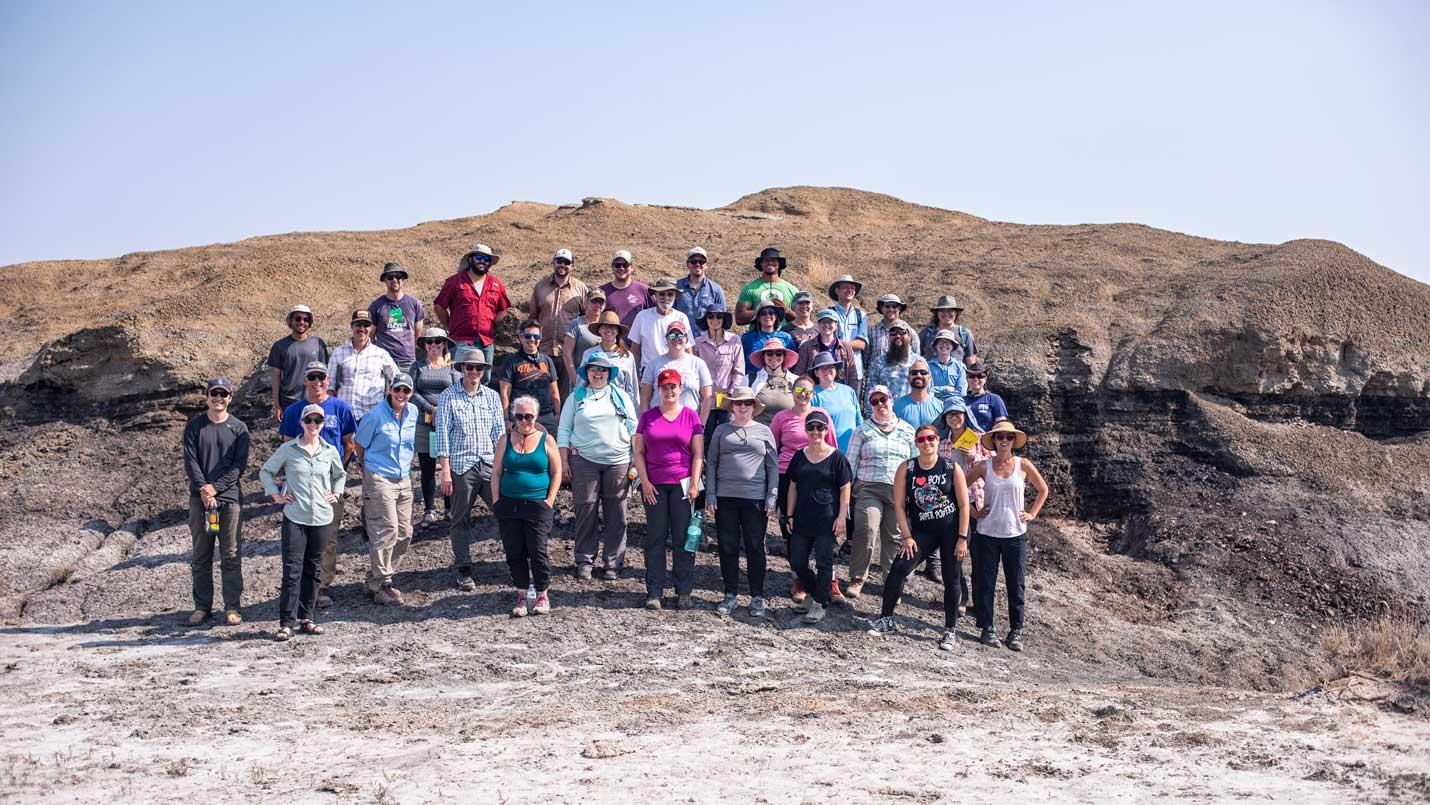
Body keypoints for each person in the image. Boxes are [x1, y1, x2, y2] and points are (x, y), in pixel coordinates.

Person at [866, 424, 971, 650]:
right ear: (916, 443)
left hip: (951, 530)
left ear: (937, 439)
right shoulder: (908, 468)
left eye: (931, 438)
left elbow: (964, 505)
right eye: (922, 439)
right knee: (899, 568)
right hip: (922, 531)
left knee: (952, 577)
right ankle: (887, 618)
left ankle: (949, 630)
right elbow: (900, 506)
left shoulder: (951, 467)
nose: (927, 443)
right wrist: (906, 536)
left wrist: (962, 537)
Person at [259, 403, 346, 642]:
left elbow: (340, 474)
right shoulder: (288, 449)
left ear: (322, 424)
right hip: (295, 517)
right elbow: (265, 471)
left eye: (317, 421)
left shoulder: (329, 451)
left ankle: (307, 617)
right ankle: (286, 623)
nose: (313, 425)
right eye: (309, 420)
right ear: (302, 423)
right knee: (292, 570)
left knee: (314, 569)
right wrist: (275, 494)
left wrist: (336, 493)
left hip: (321, 517)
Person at [277, 361, 357, 609]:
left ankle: (321, 586)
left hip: (329, 488)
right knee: (299, 537)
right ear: (305, 380)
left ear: (328, 380)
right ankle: (299, 585)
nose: (317, 381)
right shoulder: (293, 412)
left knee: (328, 537)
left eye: (321, 376)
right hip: (300, 487)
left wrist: (333, 473)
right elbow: (287, 447)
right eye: (312, 376)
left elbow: (350, 444)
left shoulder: (341, 408)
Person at [964, 420, 1049, 651]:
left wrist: (1032, 513)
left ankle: (1016, 630)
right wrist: (973, 511)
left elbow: (1043, 489)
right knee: (985, 583)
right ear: (993, 440)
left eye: (1008, 437)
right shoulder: (984, 466)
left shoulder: (1023, 464)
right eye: (1000, 437)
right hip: (987, 533)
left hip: (1015, 534)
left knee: (1016, 583)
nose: (1004, 441)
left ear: (1013, 441)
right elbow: (960, 487)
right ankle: (987, 627)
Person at [559, 352, 638, 580]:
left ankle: (613, 562)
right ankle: (584, 559)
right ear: (587, 372)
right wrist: (564, 461)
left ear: (609, 374)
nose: (598, 373)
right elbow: (564, 430)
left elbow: (634, 428)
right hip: (584, 462)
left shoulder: (621, 396)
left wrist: (636, 457)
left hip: (618, 461)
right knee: (586, 511)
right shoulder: (576, 397)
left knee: (617, 513)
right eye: (593, 369)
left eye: (602, 370)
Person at [632, 368, 705, 610]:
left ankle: (684, 590)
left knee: (683, 539)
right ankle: (654, 591)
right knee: (655, 538)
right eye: (665, 387)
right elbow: (639, 453)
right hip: (654, 485)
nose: (669, 391)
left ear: (680, 388)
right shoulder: (648, 417)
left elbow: (697, 455)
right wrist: (645, 481)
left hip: (682, 485)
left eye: (673, 386)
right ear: (659, 390)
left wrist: (695, 483)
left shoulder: (691, 417)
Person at [434, 346, 505, 591]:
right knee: (460, 518)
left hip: (488, 463)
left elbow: (499, 434)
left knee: (504, 512)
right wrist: (445, 472)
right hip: (461, 466)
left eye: (478, 368)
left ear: (484, 371)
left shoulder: (493, 397)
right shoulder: (448, 396)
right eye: (469, 367)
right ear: (461, 369)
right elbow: (442, 435)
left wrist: (503, 464)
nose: (474, 371)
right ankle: (463, 567)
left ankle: (514, 559)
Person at [182, 377, 250, 627]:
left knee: (231, 554)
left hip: (229, 499)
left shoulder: (240, 428)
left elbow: (238, 466)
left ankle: (232, 607)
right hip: (200, 500)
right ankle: (202, 606)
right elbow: (191, 462)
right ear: (206, 396)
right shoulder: (194, 427)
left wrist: (215, 488)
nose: (218, 399)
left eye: (223, 394)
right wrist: (204, 489)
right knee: (201, 554)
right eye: (214, 394)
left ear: (230, 398)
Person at [704, 387, 778, 618]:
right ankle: (730, 593)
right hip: (725, 497)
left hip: (755, 498)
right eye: (738, 403)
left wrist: (771, 496)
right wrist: (711, 494)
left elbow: (772, 466)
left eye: (747, 403)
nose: (743, 406)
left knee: (755, 547)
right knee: (727, 546)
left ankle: (757, 596)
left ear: (754, 406)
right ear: (732, 406)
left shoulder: (765, 431)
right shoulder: (720, 430)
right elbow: (712, 463)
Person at [768, 376, 838, 602]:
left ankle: (830, 581)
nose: (802, 394)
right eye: (798, 389)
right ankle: (799, 578)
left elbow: (834, 447)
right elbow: (772, 448)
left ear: (813, 393)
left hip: (820, 477)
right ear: (792, 390)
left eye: (807, 391)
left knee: (825, 531)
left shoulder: (822, 415)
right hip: (788, 476)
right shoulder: (782, 417)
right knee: (792, 528)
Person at [843, 385, 916, 600]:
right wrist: (847, 494)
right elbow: (851, 462)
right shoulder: (862, 430)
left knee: (894, 537)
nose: (879, 405)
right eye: (874, 402)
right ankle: (857, 578)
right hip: (869, 489)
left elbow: (913, 463)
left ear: (891, 400)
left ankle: (890, 581)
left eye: (882, 399)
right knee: (866, 531)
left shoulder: (907, 430)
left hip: (898, 490)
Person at [490, 396, 561, 618]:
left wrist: (549, 501)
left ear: (536, 416)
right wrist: (496, 501)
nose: (523, 420)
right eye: (519, 416)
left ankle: (542, 593)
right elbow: (496, 472)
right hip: (509, 504)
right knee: (514, 550)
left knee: (538, 550)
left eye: (528, 416)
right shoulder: (505, 439)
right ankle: (521, 593)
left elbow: (557, 471)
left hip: (537, 504)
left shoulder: (546, 439)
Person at [354, 374, 417, 607]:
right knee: (386, 528)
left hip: (404, 477)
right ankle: (383, 584)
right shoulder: (375, 415)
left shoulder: (413, 413)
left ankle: (375, 577)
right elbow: (359, 444)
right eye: (398, 389)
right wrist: (364, 467)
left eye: (406, 391)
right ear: (390, 389)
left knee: (405, 532)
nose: (402, 394)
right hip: (379, 476)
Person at [785, 410, 853, 625]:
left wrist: (842, 516)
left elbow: (845, 489)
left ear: (826, 430)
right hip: (802, 517)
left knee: (824, 562)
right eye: (811, 427)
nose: (815, 431)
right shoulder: (799, 456)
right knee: (797, 560)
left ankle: (819, 604)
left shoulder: (837, 457)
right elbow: (792, 487)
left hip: (827, 518)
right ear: (805, 430)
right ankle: (817, 593)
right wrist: (789, 514)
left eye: (820, 427)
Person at [409, 327, 461, 527]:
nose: (433, 345)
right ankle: (430, 509)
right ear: (424, 345)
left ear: (444, 344)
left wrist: (443, 410)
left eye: (437, 341)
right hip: (424, 422)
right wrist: (430, 408)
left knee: (449, 466)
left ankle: (449, 508)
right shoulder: (417, 366)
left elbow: (457, 391)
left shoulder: (452, 367)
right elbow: (412, 391)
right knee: (427, 468)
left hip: (448, 424)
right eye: (429, 342)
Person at [937, 397, 989, 594]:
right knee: (957, 549)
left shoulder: (979, 438)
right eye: (950, 414)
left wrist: (974, 457)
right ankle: (962, 596)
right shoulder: (942, 444)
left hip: (977, 499)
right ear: (945, 419)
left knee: (979, 553)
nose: (954, 418)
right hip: (954, 501)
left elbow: (993, 465)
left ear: (965, 415)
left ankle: (978, 598)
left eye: (958, 413)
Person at [434, 243, 512, 366]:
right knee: (458, 377)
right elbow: (439, 306)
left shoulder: (497, 284)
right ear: (470, 259)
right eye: (479, 258)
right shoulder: (454, 282)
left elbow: (503, 308)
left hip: (486, 342)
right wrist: (449, 326)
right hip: (460, 341)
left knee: (484, 379)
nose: (482, 261)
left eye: (486, 259)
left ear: (490, 263)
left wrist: (491, 324)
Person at [532, 248, 589, 401]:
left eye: (567, 262)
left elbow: (585, 320)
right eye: (559, 261)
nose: (562, 265)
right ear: (553, 262)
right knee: (541, 395)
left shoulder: (581, 289)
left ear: (573, 265)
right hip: (543, 351)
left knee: (566, 397)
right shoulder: (540, 287)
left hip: (568, 353)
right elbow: (533, 318)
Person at [328, 310, 399, 421]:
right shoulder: (338, 352)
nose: (362, 329)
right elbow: (329, 385)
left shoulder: (381, 354)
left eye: (366, 325)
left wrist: (390, 403)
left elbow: (398, 379)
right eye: (358, 324)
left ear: (371, 328)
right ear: (352, 326)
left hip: (372, 415)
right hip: (344, 415)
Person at [638, 320, 713, 419]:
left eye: (680, 336)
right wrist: (644, 424)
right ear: (666, 339)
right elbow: (644, 398)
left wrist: (701, 425)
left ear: (686, 339)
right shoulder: (653, 364)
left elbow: (707, 397)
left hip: (688, 425)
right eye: (672, 336)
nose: (676, 339)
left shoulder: (698, 364)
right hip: (658, 423)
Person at [498, 319, 562, 432]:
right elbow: (505, 393)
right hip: (521, 417)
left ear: (540, 338)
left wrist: (557, 414)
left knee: (549, 448)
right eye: (527, 336)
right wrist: (506, 418)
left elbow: (554, 391)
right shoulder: (511, 361)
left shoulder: (547, 360)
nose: (532, 339)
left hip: (546, 416)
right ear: (521, 337)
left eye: (536, 336)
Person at [268, 304, 329, 421]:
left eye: (306, 319)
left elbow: (324, 375)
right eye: (298, 318)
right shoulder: (279, 346)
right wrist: (277, 405)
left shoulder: (318, 344)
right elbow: (276, 378)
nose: (302, 322)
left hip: (314, 402)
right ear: (291, 321)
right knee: (289, 438)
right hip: (288, 402)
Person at [629, 278, 693, 373]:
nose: (666, 298)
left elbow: (688, 350)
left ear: (675, 296)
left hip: (676, 373)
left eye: (670, 294)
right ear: (655, 295)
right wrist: (636, 377)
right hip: (648, 372)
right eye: (662, 294)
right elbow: (635, 351)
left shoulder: (681, 317)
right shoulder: (642, 317)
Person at [368, 262, 425, 366]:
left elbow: (419, 337)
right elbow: (370, 337)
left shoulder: (415, 304)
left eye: (398, 276)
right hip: (384, 363)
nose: (394, 280)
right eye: (390, 277)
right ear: (385, 280)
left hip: (408, 362)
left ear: (403, 279)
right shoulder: (376, 306)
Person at [579, 310, 640, 403]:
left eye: (613, 327)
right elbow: (581, 383)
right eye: (605, 326)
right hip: (593, 404)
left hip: (618, 407)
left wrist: (633, 413)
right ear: (599, 330)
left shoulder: (627, 356)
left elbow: (632, 388)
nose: (609, 330)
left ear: (617, 331)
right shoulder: (588, 354)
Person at [691, 304, 744, 404]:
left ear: (723, 319)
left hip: (728, 398)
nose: (715, 320)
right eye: (711, 316)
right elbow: (695, 372)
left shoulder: (734, 340)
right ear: (706, 319)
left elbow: (739, 370)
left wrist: (732, 393)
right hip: (705, 398)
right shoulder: (698, 342)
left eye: (719, 316)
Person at [809, 352, 861, 452]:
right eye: (823, 368)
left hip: (853, 451)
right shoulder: (813, 395)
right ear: (816, 373)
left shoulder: (849, 391)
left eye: (831, 367)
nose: (827, 371)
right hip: (827, 453)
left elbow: (859, 422)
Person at [734, 247, 799, 326]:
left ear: (779, 264)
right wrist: (761, 311)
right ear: (761, 264)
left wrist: (786, 311)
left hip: (783, 336)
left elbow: (801, 319)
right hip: (757, 336)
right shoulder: (750, 289)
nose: (769, 263)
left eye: (773, 260)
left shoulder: (792, 289)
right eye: (766, 260)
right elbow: (739, 319)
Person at [794, 309, 858, 388]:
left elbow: (852, 375)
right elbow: (799, 373)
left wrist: (850, 392)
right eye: (823, 322)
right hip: (814, 391)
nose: (826, 325)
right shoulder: (807, 346)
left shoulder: (846, 347)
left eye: (830, 322)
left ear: (836, 325)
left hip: (841, 390)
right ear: (818, 325)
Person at [826, 273, 869, 391]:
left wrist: (838, 345)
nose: (850, 290)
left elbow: (861, 344)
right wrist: (849, 345)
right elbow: (825, 341)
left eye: (852, 288)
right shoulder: (829, 314)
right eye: (845, 287)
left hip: (855, 371)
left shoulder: (861, 315)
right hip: (832, 371)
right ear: (837, 290)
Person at [563, 287, 607, 393]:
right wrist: (575, 379)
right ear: (586, 303)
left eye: (601, 302)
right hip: (581, 380)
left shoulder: (607, 326)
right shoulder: (576, 324)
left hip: (602, 380)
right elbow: (566, 354)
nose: (597, 305)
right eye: (594, 301)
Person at [674, 247, 726, 334]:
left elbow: (722, 318)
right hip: (681, 341)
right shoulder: (676, 287)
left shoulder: (716, 289)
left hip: (707, 343)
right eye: (693, 261)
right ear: (688, 264)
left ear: (706, 265)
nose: (697, 264)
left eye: (701, 261)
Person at [865, 319, 919, 403]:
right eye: (893, 333)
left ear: (909, 335)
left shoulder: (918, 362)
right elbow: (870, 392)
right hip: (885, 413)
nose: (897, 336)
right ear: (889, 337)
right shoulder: (878, 363)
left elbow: (928, 391)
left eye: (902, 332)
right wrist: (870, 415)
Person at [749, 336, 799, 423]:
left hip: (786, 433)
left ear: (784, 357)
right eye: (769, 353)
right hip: (759, 433)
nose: (774, 356)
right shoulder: (750, 380)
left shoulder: (795, 381)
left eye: (779, 353)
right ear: (763, 356)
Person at [599, 250, 651, 331]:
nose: (621, 268)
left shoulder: (645, 290)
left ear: (632, 267)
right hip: (611, 342)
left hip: (638, 343)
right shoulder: (601, 292)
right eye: (617, 265)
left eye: (625, 265)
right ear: (612, 267)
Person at [740, 303, 796, 379]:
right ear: (758, 318)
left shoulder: (786, 337)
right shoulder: (748, 338)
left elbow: (791, 362)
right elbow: (740, 362)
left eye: (771, 313)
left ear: (776, 316)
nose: (768, 316)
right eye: (763, 313)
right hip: (753, 380)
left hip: (780, 379)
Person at [920, 294, 977, 362]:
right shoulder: (927, 332)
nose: (946, 314)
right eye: (942, 310)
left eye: (950, 310)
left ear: (956, 313)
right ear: (937, 313)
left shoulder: (964, 334)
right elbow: (916, 356)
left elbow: (971, 360)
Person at [893, 358, 943, 430]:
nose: (918, 375)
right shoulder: (896, 406)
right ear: (908, 378)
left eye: (923, 372)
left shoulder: (940, 406)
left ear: (929, 378)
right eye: (914, 373)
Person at [868, 294, 921, 360]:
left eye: (894, 306)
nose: (891, 309)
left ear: (899, 309)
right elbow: (866, 359)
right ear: (881, 308)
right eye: (887, 306)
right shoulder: (871, 332)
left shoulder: (909, 332)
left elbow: (917, 357)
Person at [963, 364, 1009, 432]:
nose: (975, 379)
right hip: (965, 440)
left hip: (986, 440)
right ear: (967, 379)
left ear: (985, 379)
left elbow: (1002, 424)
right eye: (971, 376)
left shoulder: (994, 399)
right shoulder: (961, 400)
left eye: (980, 376)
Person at [928, 329, 968, 404]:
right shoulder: (927, 366)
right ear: (936, 345)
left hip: (954, 405)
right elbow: (927, 390)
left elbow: (962, 392)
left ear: (953, 346)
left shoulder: (960, 367)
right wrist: (946, 388)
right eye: (941, 342)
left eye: (948, 342)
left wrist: (936, 391)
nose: (944, 345)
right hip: (932, 403)